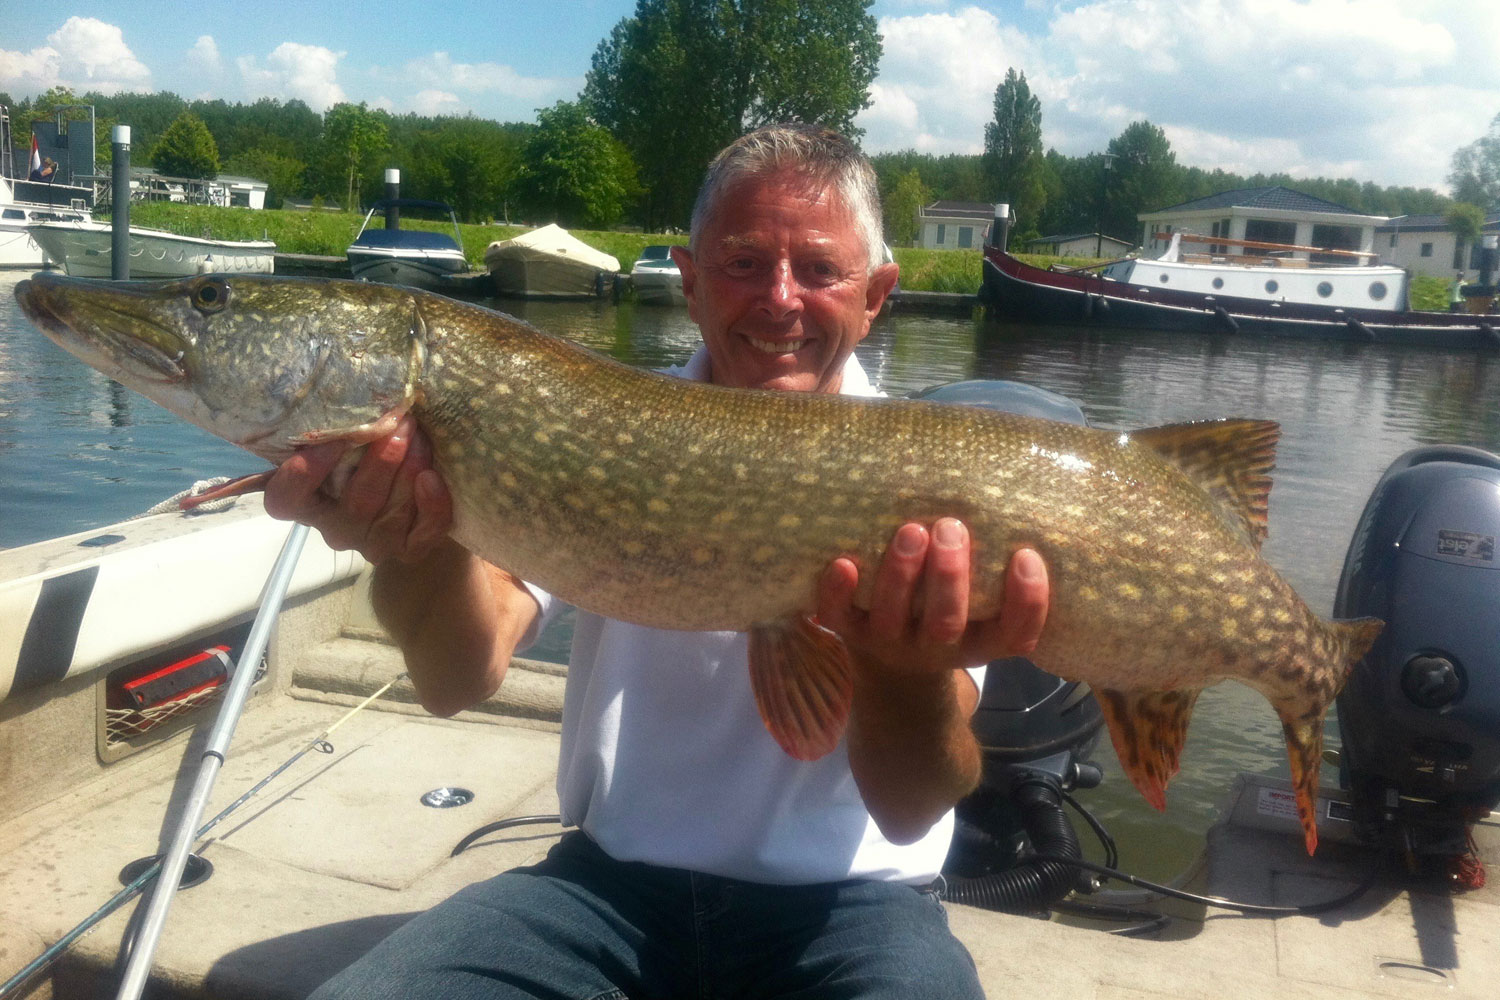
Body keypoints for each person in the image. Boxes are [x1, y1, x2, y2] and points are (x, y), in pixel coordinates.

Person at [272, 123, 1051, 999]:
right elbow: (459, 675)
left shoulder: (934, 485)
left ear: (877, 295)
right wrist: (406, 549)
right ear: (689, 281)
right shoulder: (589, 420)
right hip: (601, 895)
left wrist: (901, 675)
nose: (780, 299)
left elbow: (913, 807)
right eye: (744, 262)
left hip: (853, 913)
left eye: (820, 271)